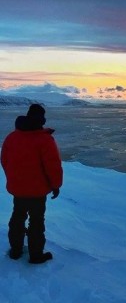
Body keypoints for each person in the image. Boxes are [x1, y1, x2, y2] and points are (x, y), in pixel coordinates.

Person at [1, 104, 63, 264]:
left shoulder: (12, 137)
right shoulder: (44, 139)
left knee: (17, 217)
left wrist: (14, 178)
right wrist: (56, 185)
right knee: (36, 221)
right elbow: (53, 166)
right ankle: (36, 255)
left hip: (18, 190)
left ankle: (16, 251)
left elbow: (5, 161)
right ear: (42, 119)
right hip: (37, 191)